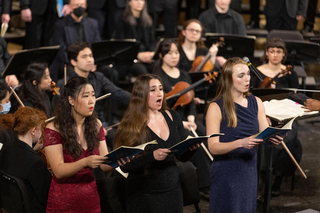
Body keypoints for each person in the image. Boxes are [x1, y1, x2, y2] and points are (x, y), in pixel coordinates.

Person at [206, 57, 282, 212]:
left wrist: (273, 138)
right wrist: (240, 143)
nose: (247, 79)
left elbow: (263, 134)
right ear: (229, 79)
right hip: (227, 172)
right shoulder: (216, 107)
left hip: (248, 171)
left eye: (248, 74)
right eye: (241, 76)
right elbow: (213, 147)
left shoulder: (257, 102)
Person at [114, 74, 199, 212]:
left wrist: (191, 148)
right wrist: (151, 157)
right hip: (144, 194)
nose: (160, 93)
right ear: (141, 95)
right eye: (153, 90)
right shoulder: (131, 125)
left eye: (161, 88)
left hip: (173, 191)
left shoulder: (173, 116)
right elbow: (124, 165)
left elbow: (181, 157)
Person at [43, 76, 117, 212]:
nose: (91, 101)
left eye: (93, 95)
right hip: (63, 201)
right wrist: (85, 162)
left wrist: (118, 160)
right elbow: (58, 171)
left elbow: (105, 165)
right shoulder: (53, 129)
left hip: (90, 198)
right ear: (71, 100)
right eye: (85, 96)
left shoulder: (96, 125)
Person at [153, 38, 212, 198]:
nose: (174, 56)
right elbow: (163, 107)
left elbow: (190, 100)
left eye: (177, 52)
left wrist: (192, 118)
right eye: (170, 53)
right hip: (170, 122)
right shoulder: (158, 78)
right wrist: (182, 123)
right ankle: (203, 185)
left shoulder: (184, 74)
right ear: (161, 55)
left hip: (187, 119)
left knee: (204, 133)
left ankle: (210, 180)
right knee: (195, 144)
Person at [251, 37, 301, 198]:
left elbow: (296, 97)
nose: (275, 55)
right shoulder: (257, 71)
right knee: (263, 137)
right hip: (261, 114)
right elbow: (250, 96)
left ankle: (277, 178)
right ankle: (262, 180)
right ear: (266, 52)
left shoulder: (289, 73)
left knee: (290, 138)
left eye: (278, 51)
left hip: (285, 115)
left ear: (284, 54)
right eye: (271, 51)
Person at [60, 41, 131, 127]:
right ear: (74, 62)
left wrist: (141, 99)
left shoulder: (98, 77)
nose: (89, 60)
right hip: (77, 126)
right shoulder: (65, 83)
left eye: (91, 56)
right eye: (84, 57)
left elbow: (119, 93)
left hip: (100, 123)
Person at [0, 106, 52, 213]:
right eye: (40, 129)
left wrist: (32, 150)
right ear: (33, 131)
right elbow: (47, 197)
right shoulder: (36, 163)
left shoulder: (6, 148)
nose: (42, 133)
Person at [51, 0, 101, 81]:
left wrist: (92, 62)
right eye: (76, 5)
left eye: (82, 5)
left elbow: (97, 46)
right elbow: (61, 49)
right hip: (70, 62)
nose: (79, 7)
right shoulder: (61, 24)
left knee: (109, 71)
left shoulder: (93, 23)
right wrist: (76, 63)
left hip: (89, 60)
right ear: (70, 7)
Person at [113, 0, 155, 79]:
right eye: (136, 0)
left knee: (158, 68)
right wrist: (138, 55)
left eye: (142, 0)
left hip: (146, 57)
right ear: (129, 2)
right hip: (130, 59)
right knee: (143, 73)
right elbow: (121, 44)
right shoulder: (122, 19)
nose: (139, 3)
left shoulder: (148, 20)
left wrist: (151, 54)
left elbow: (152, 41)